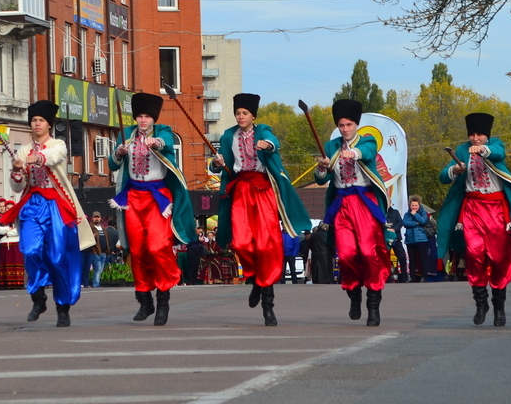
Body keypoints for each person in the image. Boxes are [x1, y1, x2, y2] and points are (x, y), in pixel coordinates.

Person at [211, 93, 311, 326]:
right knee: (242, 242)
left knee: (267, 244)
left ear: (253, 115)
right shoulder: (228, 136)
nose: (240, 117)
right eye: (237, 113)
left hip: (263, 190)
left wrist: (267, 145)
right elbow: (220, 162)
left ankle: (268, 304)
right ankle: (255, 278)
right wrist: (215, 163)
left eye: (244, 113)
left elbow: (272, 141)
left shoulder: (262, 130)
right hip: (240, 191)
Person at [0, 100, 96, 327]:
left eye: (41, 120)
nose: (37, 124)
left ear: (49, 124)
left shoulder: (58, 144)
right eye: (34, 120)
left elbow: (54, 157)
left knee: (57, 257)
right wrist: (16, 170)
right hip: (33, 204)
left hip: (57, 205)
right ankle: (38, 297)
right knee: (29, 249)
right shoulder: (22, 150)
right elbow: (16, 187)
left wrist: (38, 158)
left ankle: (63, 308)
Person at [109, 92, 196, 326]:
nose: (143, 120)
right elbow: (111, 163)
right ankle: (144, 298)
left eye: (147, 116)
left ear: (154, 118)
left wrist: (156, 143)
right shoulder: (126, 134)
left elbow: (166, 142)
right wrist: (118, 153)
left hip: (158, 197)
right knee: (137, 250)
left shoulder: (162, 131)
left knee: (158, 246)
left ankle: (163, 298)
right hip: (133, 197)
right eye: (139, 116)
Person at [437, 113, 511, 327]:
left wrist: (484, 150)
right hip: (472, 209)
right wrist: (454, 170)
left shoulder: (495, 144)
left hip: (496, 211)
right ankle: (480, 303)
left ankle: (499, 308)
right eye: (472, 134)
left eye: (479, 135)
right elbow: (442, 177)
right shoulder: (461, 150)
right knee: (474, 255)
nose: (475, 138)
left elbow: (497, 153)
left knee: (497, 259)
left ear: (487, 135)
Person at [315, 99, 391, 326]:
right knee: (346, 255)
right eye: (341, 125)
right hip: (341, 206)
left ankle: (374, 303)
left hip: (364, 203)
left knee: (369, 253)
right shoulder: (331, 147)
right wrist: (321, 169)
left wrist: (354, 153)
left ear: (356, 124)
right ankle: (354, 294)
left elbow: (368, 152)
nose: (345, 129)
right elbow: (323, 179)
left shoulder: (366, 141)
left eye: (349, 125)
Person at [0, 200, 24, 289]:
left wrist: (8, 232)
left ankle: (18, 282)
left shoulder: (18, 218)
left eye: (11, 208)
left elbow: (18, 230)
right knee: (5, 263)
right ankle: (6, 282)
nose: (9, 209)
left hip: (15, 242)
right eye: (7, 208)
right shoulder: (1, 218)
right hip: (4, 242)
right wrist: (9, 229)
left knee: (17, 262)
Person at [403, 195, 430, 283]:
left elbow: (423, 221)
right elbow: (405, 223)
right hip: (410, 240)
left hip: (421, 239)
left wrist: (415, 215)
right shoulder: (407, 214)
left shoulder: (423, 213)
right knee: (412, 260)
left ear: (419, 205)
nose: (414, 207)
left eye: (416, 205)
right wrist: (416, 223)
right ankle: (412, 277)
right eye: (412, 206)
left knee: (423, 259)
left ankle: (424, 277)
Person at [386, 205, 409, 283]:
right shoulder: (381, 211)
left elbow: (400, 222)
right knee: (386, 259)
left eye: (388, 202)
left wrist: (394, 229)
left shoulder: (395, 212)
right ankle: (387, 277)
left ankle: (404, 277)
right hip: (386, 239)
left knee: (402, 257)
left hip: (396, 238)